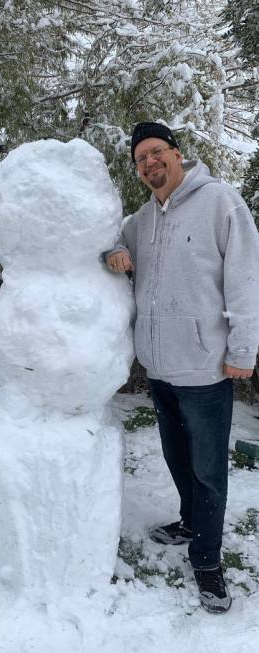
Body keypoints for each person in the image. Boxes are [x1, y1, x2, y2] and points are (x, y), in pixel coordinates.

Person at [106, 122, 259, 613]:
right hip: (159, 367)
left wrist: (243, 352)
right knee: (176, 456)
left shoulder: (221, 203)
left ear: (176, 153)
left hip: (206, 368)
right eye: (140, 160)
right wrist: (115, 251)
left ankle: (208, 560)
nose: (149, 163)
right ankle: (191, 521)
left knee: (209, 469)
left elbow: (246, 281)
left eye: (156, 153)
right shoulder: (144, 218)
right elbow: (111, 242)